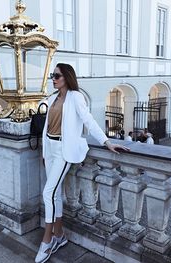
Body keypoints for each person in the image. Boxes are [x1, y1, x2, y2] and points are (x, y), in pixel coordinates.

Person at [35, 63, 130, 263]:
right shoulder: (52, 98)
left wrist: (107, 142)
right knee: (56, 193)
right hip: (50, 148)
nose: (53, 78)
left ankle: (47, 240)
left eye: (57, 76)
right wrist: (44, 152)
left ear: (67, 77)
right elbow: (47, 128)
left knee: (48, 192)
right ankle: (60, 236)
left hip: (63, 150)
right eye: (52, 75)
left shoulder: (75, 97)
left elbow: (89, 121)